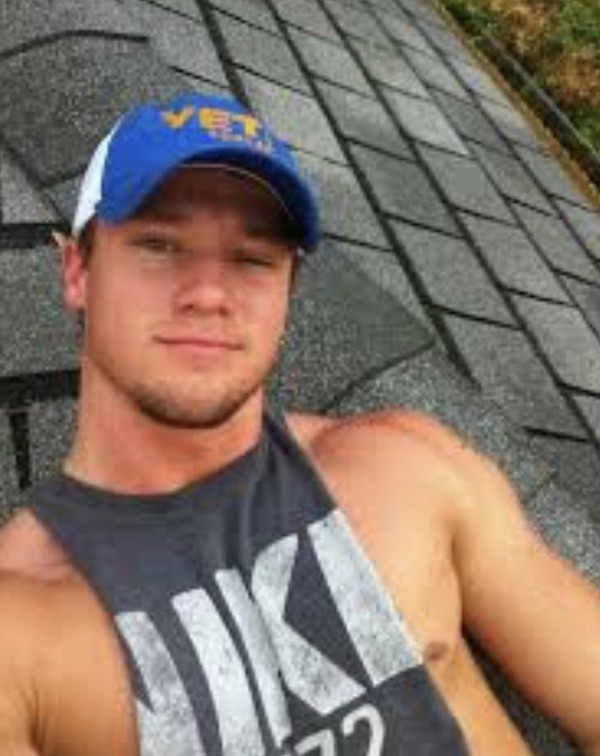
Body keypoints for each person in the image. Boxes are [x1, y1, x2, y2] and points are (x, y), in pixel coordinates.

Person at [0, 90, 599, 756]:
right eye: (160, 245)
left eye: (253, 259)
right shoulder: (22, 626)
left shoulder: (406, 467)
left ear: (287, 291)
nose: (209, 293)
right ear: (77, 271)